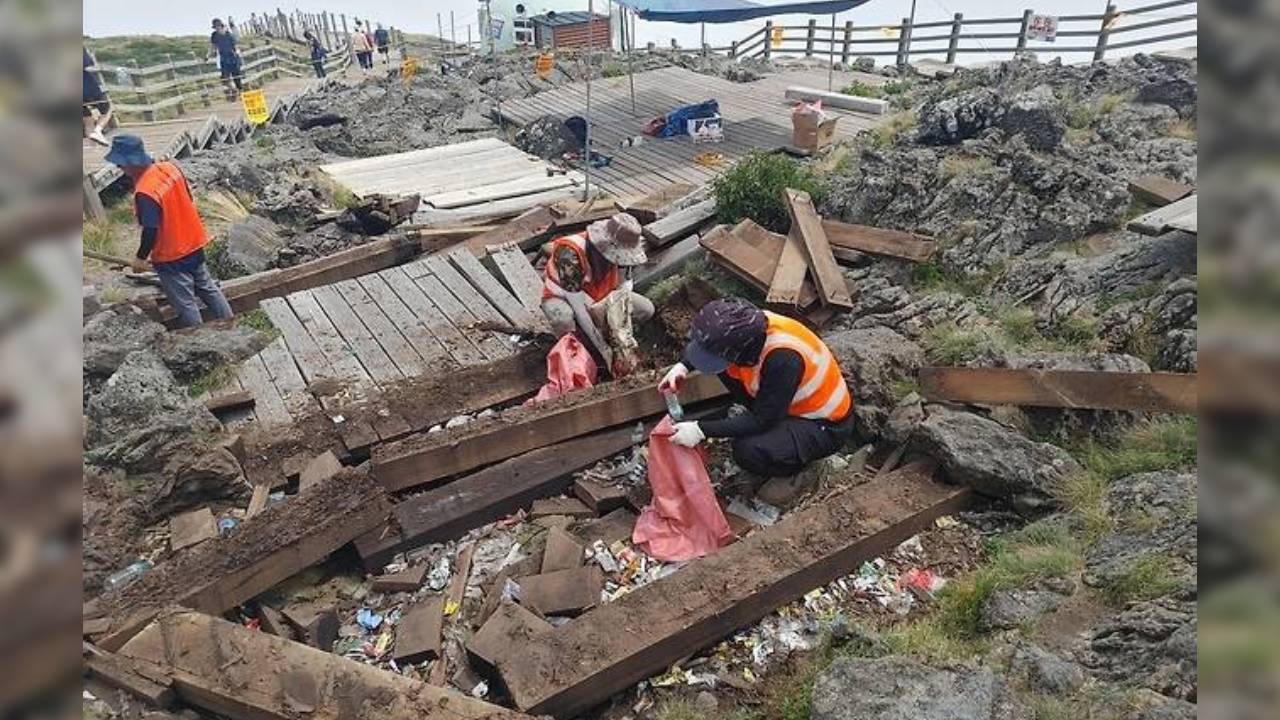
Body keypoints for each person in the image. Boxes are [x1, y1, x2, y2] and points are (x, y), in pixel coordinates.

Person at [658, 298, 854, 505]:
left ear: (743, 348)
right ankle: (760, 424)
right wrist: (682, 367)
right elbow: (711, 345)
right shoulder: (742, 325)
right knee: (726, 370)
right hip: (784, 402)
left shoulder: (783, 358)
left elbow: (763, 420)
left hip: (822, 424)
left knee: (748, 451)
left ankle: (801, 471)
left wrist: (701, 430)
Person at [105, 135, 233, 328]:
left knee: (185, 303)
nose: (119, 169)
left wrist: (140, 258)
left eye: (120, 165)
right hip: (194, 242)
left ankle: (201, 340)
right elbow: (187, 198)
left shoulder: (145, 191)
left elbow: (150, 230)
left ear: (132, 163)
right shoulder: (170, 168)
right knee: (208, 288)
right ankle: (230, 323)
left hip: (172, 255)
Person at [542, 213, 654, 376]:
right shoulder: (570, 253)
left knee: (646, 309)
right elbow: (579, 309)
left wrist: (620, 330)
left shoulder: (626, 253)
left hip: (600, 296)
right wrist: (603, 350)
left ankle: (606, 336)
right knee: (564, 320)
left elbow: (625, 288)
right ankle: (576, 356)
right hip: (563, 298)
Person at [82, 48, 112, 146]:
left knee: (87, 118)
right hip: (84, 83)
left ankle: (93, 148)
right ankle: (98, 131)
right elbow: (87, 62)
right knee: (107, 108)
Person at [209, 18, 243, 98]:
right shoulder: (214, 36)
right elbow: (212, 47)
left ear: (221, 26)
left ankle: (240, 94)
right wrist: (207, 56)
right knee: (224, 79)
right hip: (223, 59)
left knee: (237, 77)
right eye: (216, 27)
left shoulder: (229, 35)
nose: (217, 28)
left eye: (219, 26)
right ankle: (233, 89)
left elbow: (235, 46)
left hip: (232, 58)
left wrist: (237, 54)